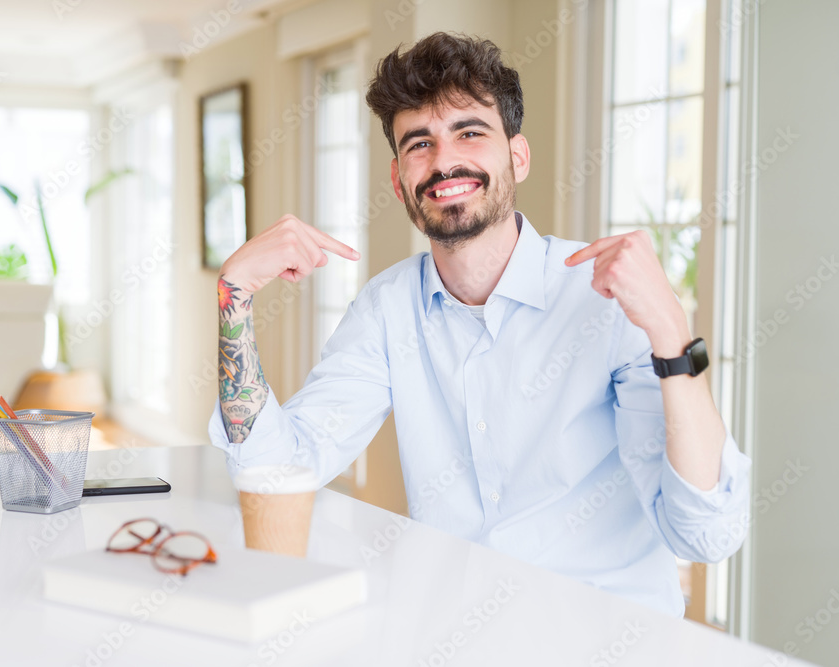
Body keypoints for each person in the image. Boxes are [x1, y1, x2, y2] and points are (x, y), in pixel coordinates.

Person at [209, 32, 751, 617]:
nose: (444, 161)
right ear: (398, 180)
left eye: (469, 132)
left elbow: (706, 535)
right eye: (420, 143)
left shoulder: (607, 299)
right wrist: (233, 297)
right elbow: (276, 471)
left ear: (518, 156)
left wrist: (671, 329)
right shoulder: (387, 309)